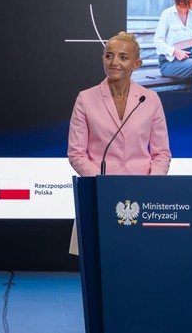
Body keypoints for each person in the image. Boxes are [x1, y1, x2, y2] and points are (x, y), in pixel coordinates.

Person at [67, 32, 172, 254]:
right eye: (109, 56)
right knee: (98, 262)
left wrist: (151, 184)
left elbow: (162, 154)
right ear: (103, 59)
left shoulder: (150, 99)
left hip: (142, 194)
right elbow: (76, 154)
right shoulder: (85, 98)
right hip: (98, 192)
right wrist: (102, 184)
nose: (114, 62)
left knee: (139, 262)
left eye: (123, 57)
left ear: (136, 64)